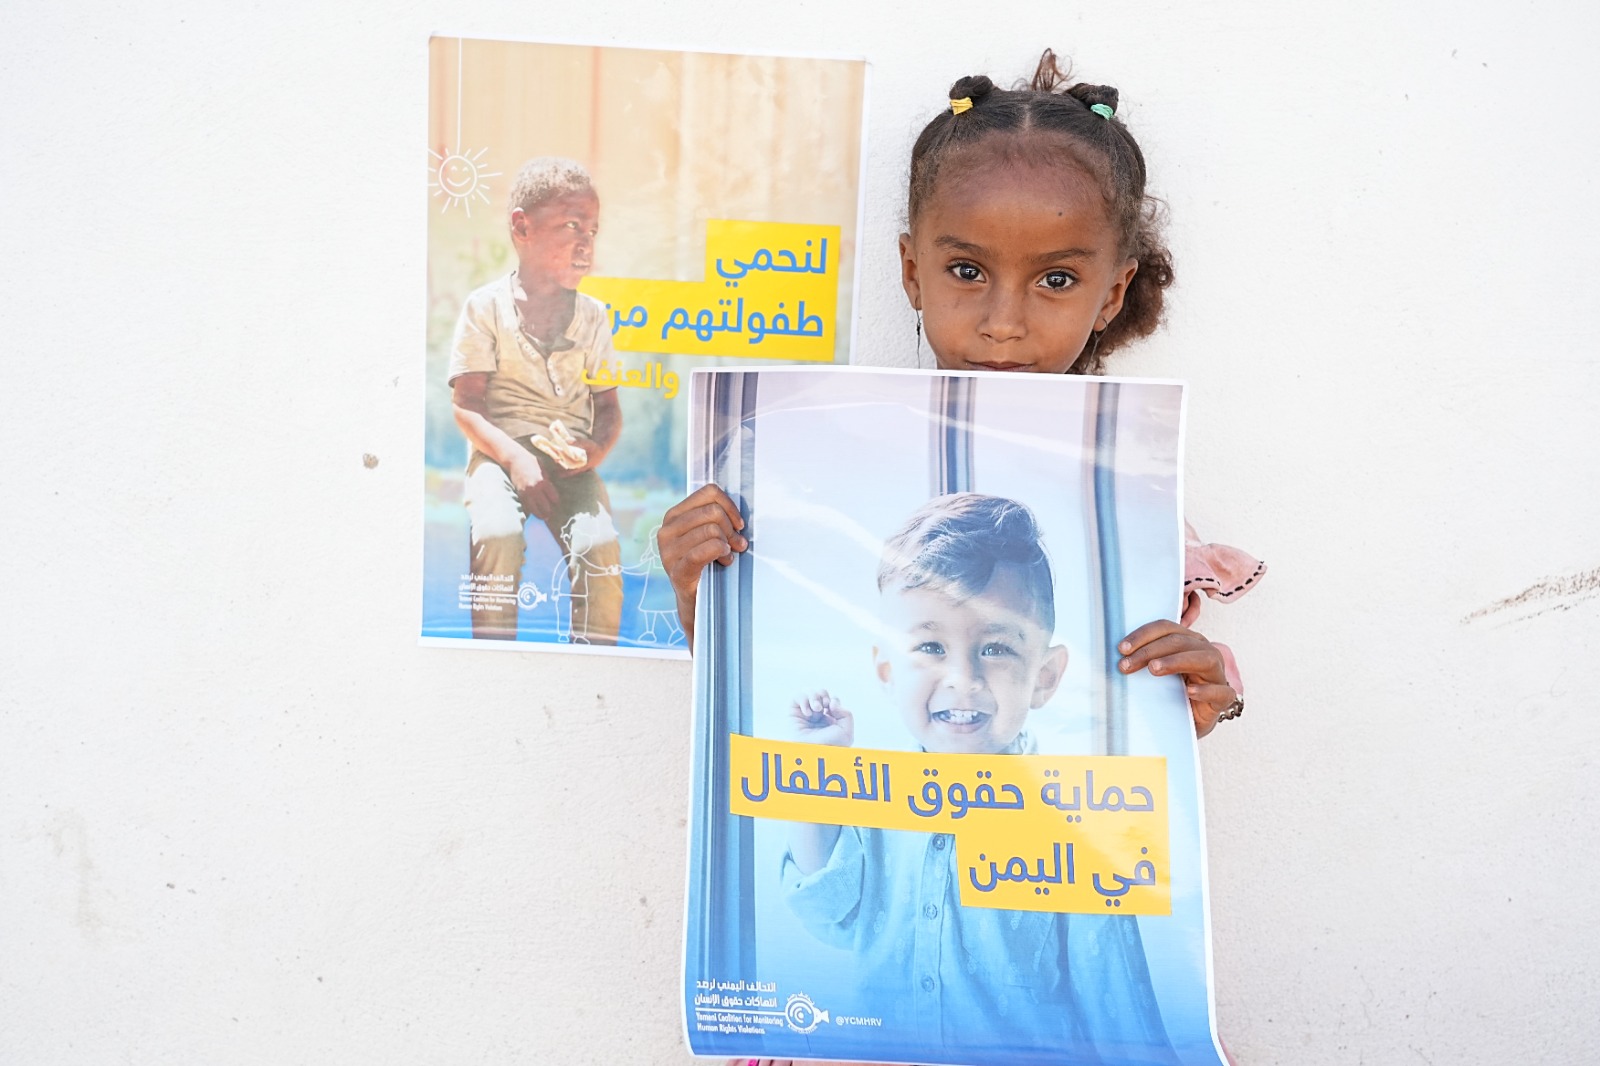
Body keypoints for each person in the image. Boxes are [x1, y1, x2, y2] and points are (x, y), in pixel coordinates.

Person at [658, 50, 1265, 1066]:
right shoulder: (811, 477)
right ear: (911, 270)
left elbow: (1133, 776)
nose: (1003, 320)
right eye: (966, 270)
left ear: (1112, 293)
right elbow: (765, 726)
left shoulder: (1131, 513)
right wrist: (702, 588)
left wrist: (1195, 700)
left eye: (1057, 279)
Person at [781, 493, 1173, 1059]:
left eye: (995, 647)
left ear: (1044, 677)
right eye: (931, 647)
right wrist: (819, 769)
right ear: (888, 672)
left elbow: (1115, 997)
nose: (962, 679)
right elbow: (826, 916)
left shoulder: (1078, 819)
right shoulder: (872, 795)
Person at [448, 157, 624, 645]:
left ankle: (596, 676)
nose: (585, 242)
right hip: (500, 453)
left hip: (570, 466)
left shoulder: (593, 317)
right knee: (497, 534)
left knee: (601, 547)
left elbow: (608, 409)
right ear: (522, 227)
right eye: (571, 225)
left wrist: (595, 451)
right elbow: (466, 404)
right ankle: (494, 664)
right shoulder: (485, 308)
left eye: (592, 229)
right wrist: (516, 458)